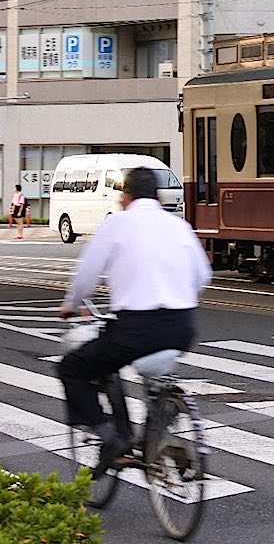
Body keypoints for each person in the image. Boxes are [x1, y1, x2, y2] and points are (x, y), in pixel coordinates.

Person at [57, 167, 212, 477]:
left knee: (72, 368)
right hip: (182, 327)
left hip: (135, 329)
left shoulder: (118, 224)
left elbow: (87, 274)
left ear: (124, 197)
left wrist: (71, 304)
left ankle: (110, 436)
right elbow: (202, 275)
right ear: (157, 196)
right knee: (153, 374)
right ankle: (159, 431)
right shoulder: (179, 226)